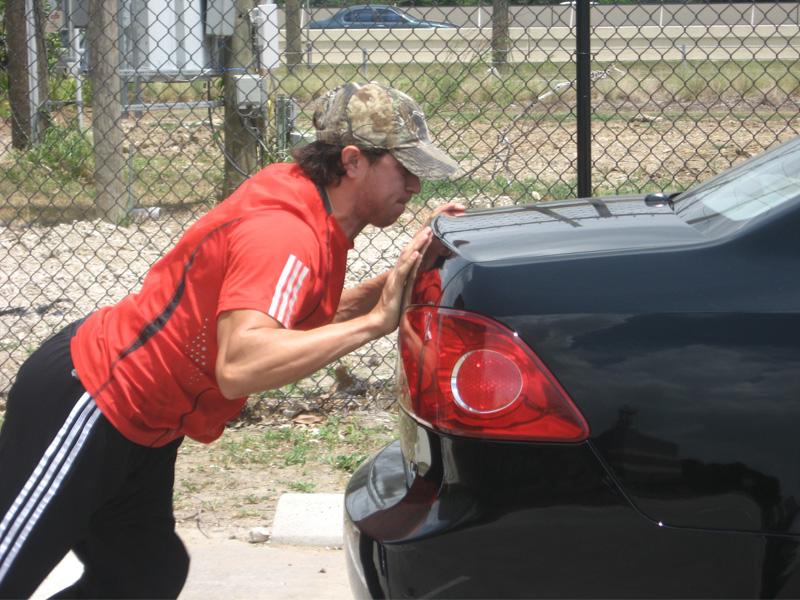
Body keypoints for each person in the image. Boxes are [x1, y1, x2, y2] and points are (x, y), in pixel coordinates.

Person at [0, 81, 461, 599]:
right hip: (95, 397)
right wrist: (373, 323)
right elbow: (240, 363)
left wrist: (388, 287)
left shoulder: (313, 212)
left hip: (147, 419)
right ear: (353, 161)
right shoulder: (285, 232)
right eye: (404, 168)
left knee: (141, 576)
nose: (416, 186)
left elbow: (290, 313)